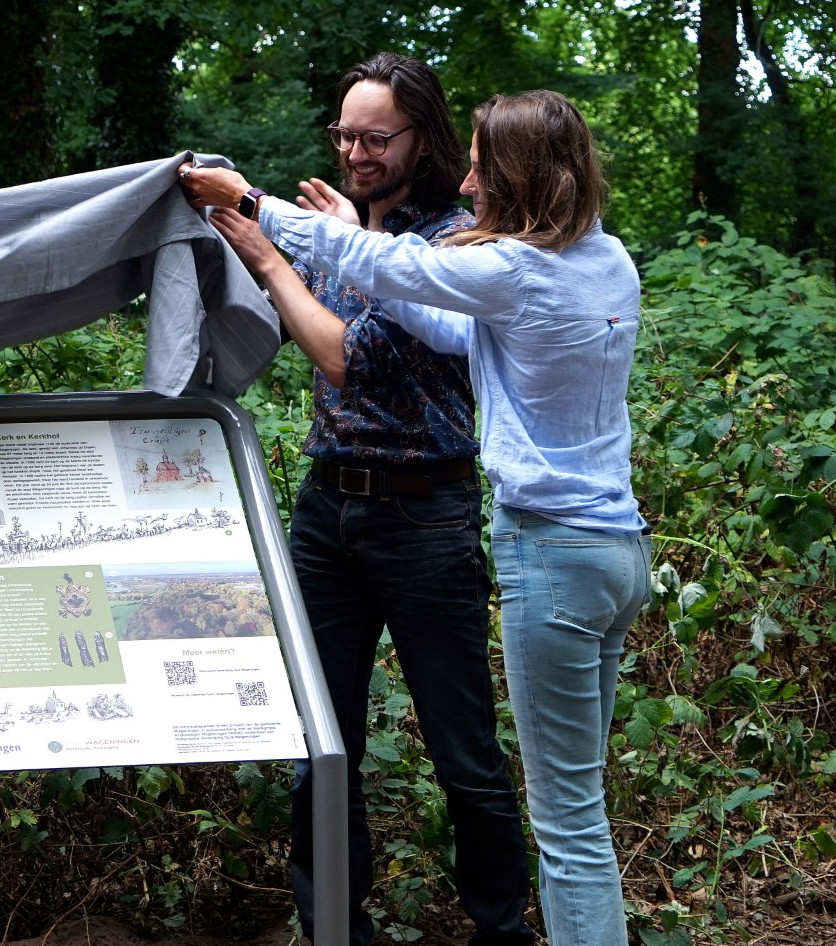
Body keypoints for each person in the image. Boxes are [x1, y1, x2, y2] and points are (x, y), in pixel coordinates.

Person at [183, 89, 651, 946]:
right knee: (579, 810)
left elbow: (409, 284)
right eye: (344, 136)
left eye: (482, 162)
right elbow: (441, 319)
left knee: (566, 824)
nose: (469, 177)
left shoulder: (510, 270)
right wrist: (355, 248)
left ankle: (508, 927)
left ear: (514, 175)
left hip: (543, 551)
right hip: (617, 552)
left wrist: (255, 208)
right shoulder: (606, 258)